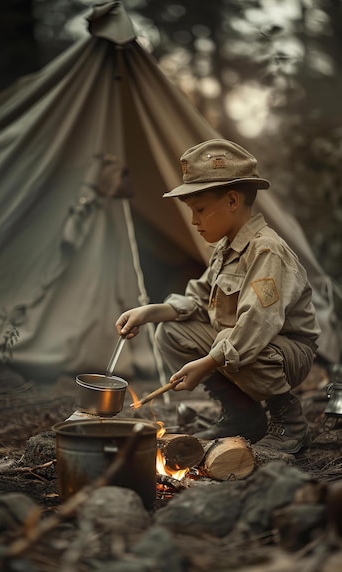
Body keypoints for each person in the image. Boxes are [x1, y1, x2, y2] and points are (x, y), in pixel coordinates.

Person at [115, 139, 321, 454]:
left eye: (200, 210)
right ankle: (242, 414)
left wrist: (207, 363)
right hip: (248, 343)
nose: (194, 221)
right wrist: (149, 312)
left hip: (283, 353)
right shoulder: (226, 248)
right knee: (172, 332)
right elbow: (199, 299)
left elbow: (257, 324)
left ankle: (290, 421)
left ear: (233, 200)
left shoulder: (267, 250)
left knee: (230, 340)